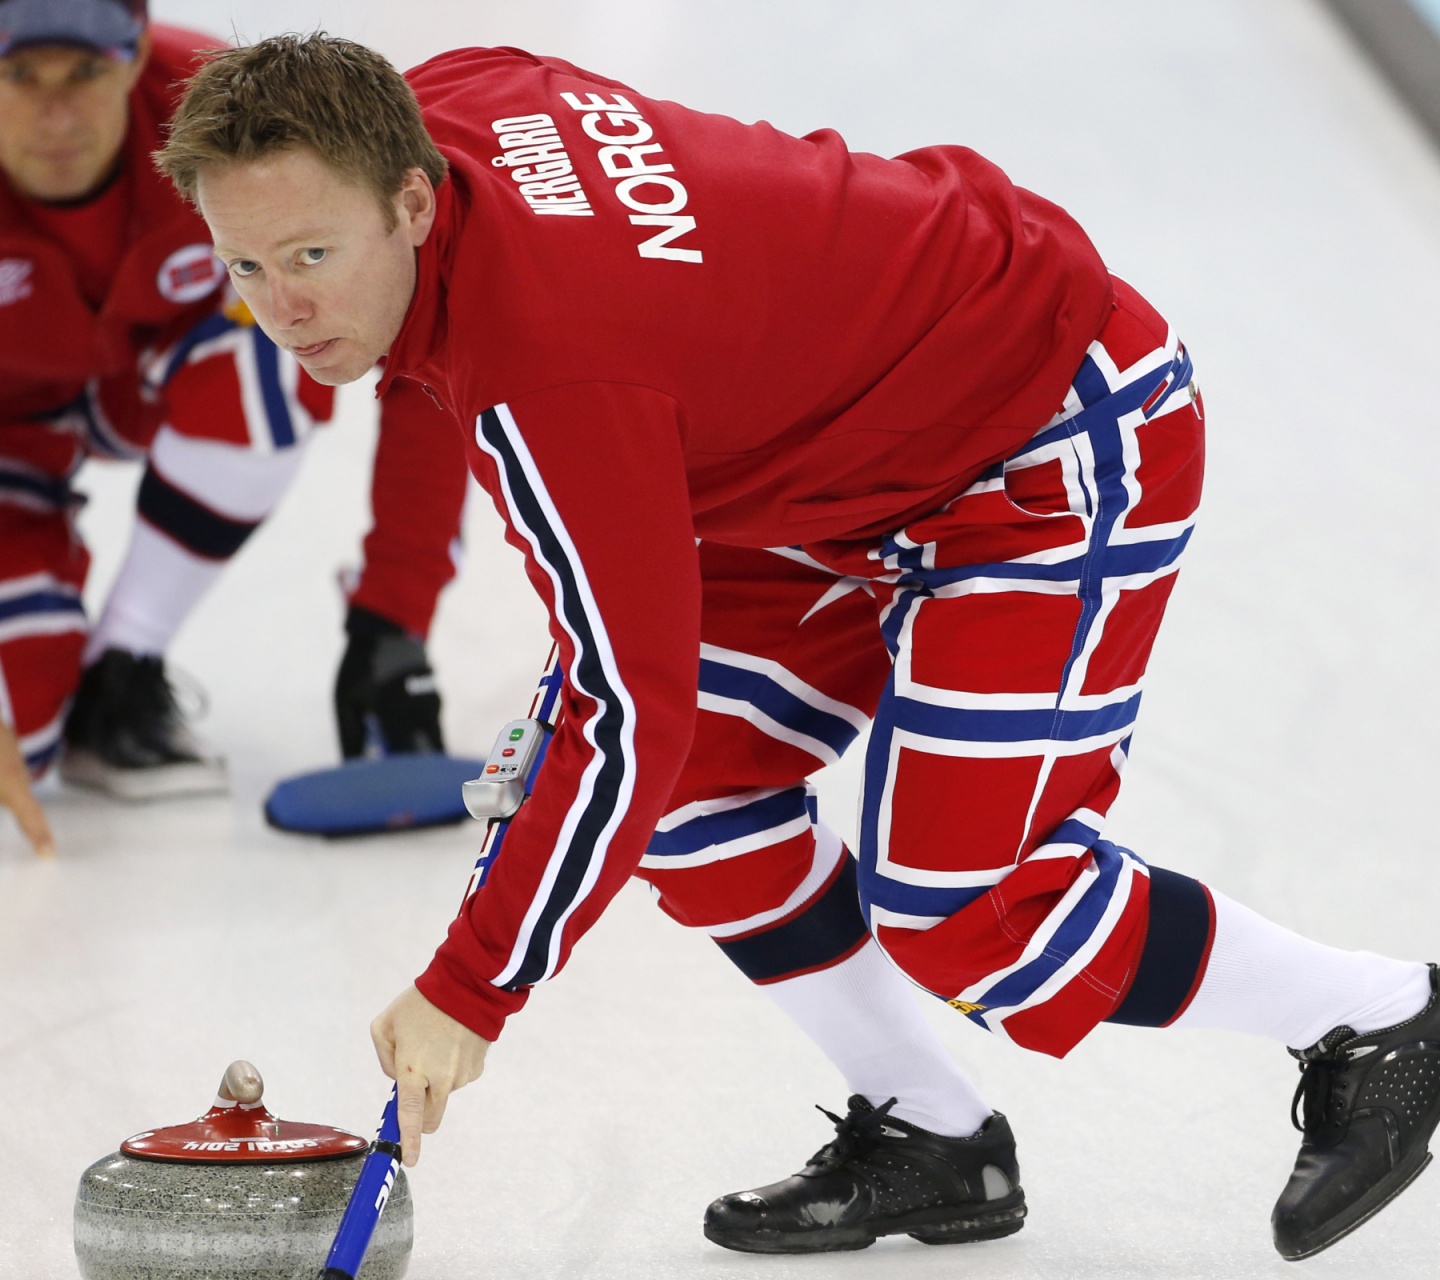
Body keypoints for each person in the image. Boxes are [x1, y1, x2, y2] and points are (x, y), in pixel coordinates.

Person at [156, 35, 1440, 1262]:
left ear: (416, 202)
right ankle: (937, 1134)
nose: (285, 306)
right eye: (246, 265)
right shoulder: (446, 97)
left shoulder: (557, 377)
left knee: (964, 907)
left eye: (313, 252)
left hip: (1041, 428)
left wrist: (470, 986)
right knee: (689, 792)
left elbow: (622, 700)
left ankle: (1384, 1015)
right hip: (835, 456)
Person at [0, 0, 332, 847]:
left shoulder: (241, 114)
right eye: (17, 75)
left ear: (138, 49)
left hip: (143, 382)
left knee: (280, 353)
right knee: (20, 733)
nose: (58, 114)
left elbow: (430, 321)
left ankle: (124, 664)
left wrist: (394, 616)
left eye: (85, 70)